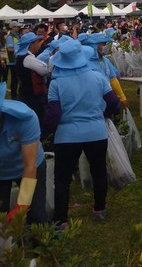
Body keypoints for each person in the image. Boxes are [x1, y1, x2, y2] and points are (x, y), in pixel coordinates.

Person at [43, 39, 120, 226]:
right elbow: (113, 103)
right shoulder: (97, 77)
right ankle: (99, 209)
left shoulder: (56, 83)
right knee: (99, 170)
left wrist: (43, 134)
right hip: (96, 132)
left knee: (62, 178)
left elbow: (54, 113)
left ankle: (61, 219)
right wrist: (104, 115)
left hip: (67, 136)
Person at [0, 82, 48, 224]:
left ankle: (42, 242)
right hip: (1, 171)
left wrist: (22, 204)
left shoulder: (25, 119)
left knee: (36, 214)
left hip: (28, 166)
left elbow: (30, 166)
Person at [15, 32, 49, 125]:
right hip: (33, 96)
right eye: (37, 42)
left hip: (26, 93)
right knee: (37, 118)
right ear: (30, 45)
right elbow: (44, 70)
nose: (39, 44)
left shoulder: (21, 57)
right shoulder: (28, 58)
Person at [6, 22, 21, 99]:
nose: (18, 28)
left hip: (15, 60)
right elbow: (10, 49)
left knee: (16, 78)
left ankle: (15, 94)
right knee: (14, 79)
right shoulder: (10, 37)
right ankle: (14, 95)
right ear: (13, 27)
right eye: (17, 27)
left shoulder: (16, 36)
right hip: (13, 61)